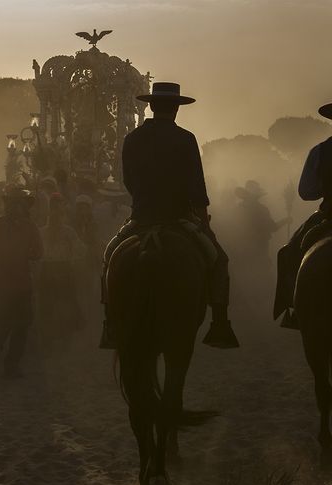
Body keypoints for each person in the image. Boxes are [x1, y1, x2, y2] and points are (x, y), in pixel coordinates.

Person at [101, 81, 239, 349]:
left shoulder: (132, 138)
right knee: (219, 260)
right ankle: (220, 323)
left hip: (141, 217)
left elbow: (127, 181)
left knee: (108, 259)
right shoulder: (186, 138)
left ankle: (110, 325)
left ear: (151, 107)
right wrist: (204, 222)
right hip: (178, 218)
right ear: (176, 109)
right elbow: (197, 187)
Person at [274, 102, 332, 326]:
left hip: (328, 215)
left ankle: (296, 306)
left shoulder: (320, 151)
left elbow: (306, 192)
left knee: (290, 253)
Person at [0, 186, 43, 378]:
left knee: (1, 323)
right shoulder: (29, 226)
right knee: (20, 326)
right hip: (21, 283)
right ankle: (11, 365)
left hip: (0, 283)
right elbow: (38, 253)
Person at [38, 193, 87, 348]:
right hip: (53, 268)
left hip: (60, 267)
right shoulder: (45, 231)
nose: (56, 216)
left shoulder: (65, 231)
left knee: (63, 303)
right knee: (52, 304)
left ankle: (59, 336)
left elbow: (80, 250)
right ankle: (52, 337)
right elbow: (80, 250)